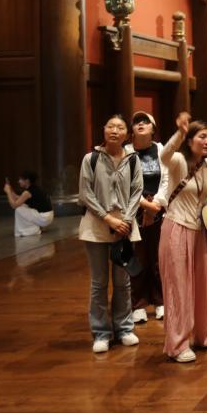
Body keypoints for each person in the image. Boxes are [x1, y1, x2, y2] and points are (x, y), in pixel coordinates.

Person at [158, 112, 207, 362]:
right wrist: (179, 133)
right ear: (190, 141)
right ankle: (178, 344)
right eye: (202, 136)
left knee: (203, 285)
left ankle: (206, 333)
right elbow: (164, 155)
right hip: (177, 227)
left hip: (201, 231)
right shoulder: (179, 161)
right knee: (178, 287)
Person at [78, 114, 142, 354]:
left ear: (127, 134)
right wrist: (108, 218)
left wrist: (126, 220)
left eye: (120, 127)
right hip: (96, 227)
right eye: (111, 126)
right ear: (103, 130)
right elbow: (85, 193)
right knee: (99, 283)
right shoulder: (91, 159)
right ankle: (101, 333)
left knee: (123, 282)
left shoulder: (133, 159)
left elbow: (137, 191)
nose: (115, 131)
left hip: (125, 227)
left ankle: (124, 328)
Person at [126, 111, 170, 323]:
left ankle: (161, 301)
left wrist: (156, 206)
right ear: (132, 130)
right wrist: (145, 206)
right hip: (133, 212)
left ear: (153, 129)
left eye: (145, 121)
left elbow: (167, 179)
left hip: (159, 210)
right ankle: (138, 303)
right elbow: (124, 184)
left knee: (159, 257)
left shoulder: (161, 150)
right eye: (136, 122)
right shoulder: (125, 152)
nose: (141, 124)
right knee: (137, 258)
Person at [5, 170, 54, 238]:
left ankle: (32, 230)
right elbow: (17, 197)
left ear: (27, 181)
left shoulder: (27, 192)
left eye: (20, 179)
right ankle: (33, 228)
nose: (18, 181)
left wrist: (8, 192)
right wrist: (10, 190)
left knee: (18, 209)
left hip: (44, 218)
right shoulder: (34, 188)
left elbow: (14, 205)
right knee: (22, 206)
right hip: (47, 216)